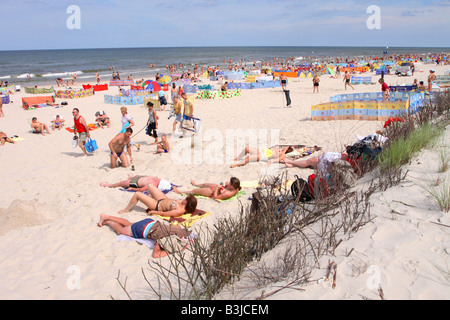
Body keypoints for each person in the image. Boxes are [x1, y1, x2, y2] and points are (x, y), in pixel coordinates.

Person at [97, 214, 193, 258]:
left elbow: (177, 225)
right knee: (120, 231)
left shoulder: (180, 231)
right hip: (143, 229)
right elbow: (156, 254)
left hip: (151, 222)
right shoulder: (165, 240)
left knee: (129, 224)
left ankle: (108, 217)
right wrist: (171, 252)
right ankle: (108, 220)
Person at [118, 184, 198, 217]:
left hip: (157, 205)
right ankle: (149, 196)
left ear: (187, 202)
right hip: (163, 198)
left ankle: (126, 210)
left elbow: (165, 214)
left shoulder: (179, 210)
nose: (184, 198)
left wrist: (154, 212)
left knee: (137, 194)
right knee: (150, 185)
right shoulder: (182, 202)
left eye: (186, 198)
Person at [173, 177, 241, 201]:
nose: (228, 182)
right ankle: (196, 184)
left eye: (230, 183)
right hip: (216, 187)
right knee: (204, 184)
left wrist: (217, 188)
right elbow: (227, 184)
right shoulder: (236, 188)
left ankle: (180, 192)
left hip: (211, 192)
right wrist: (225, 185)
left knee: (194, 191)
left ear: (232, 186)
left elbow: (216, 198)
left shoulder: (227, 194)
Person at [100, 175, 174, 192]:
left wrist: (132, 188)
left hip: (135, 183)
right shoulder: (157, 179)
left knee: (122, 183)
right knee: (136, 176)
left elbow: (141, 189)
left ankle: (109, 185)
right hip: (140, 177)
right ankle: (130, 177)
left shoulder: (153, 184)